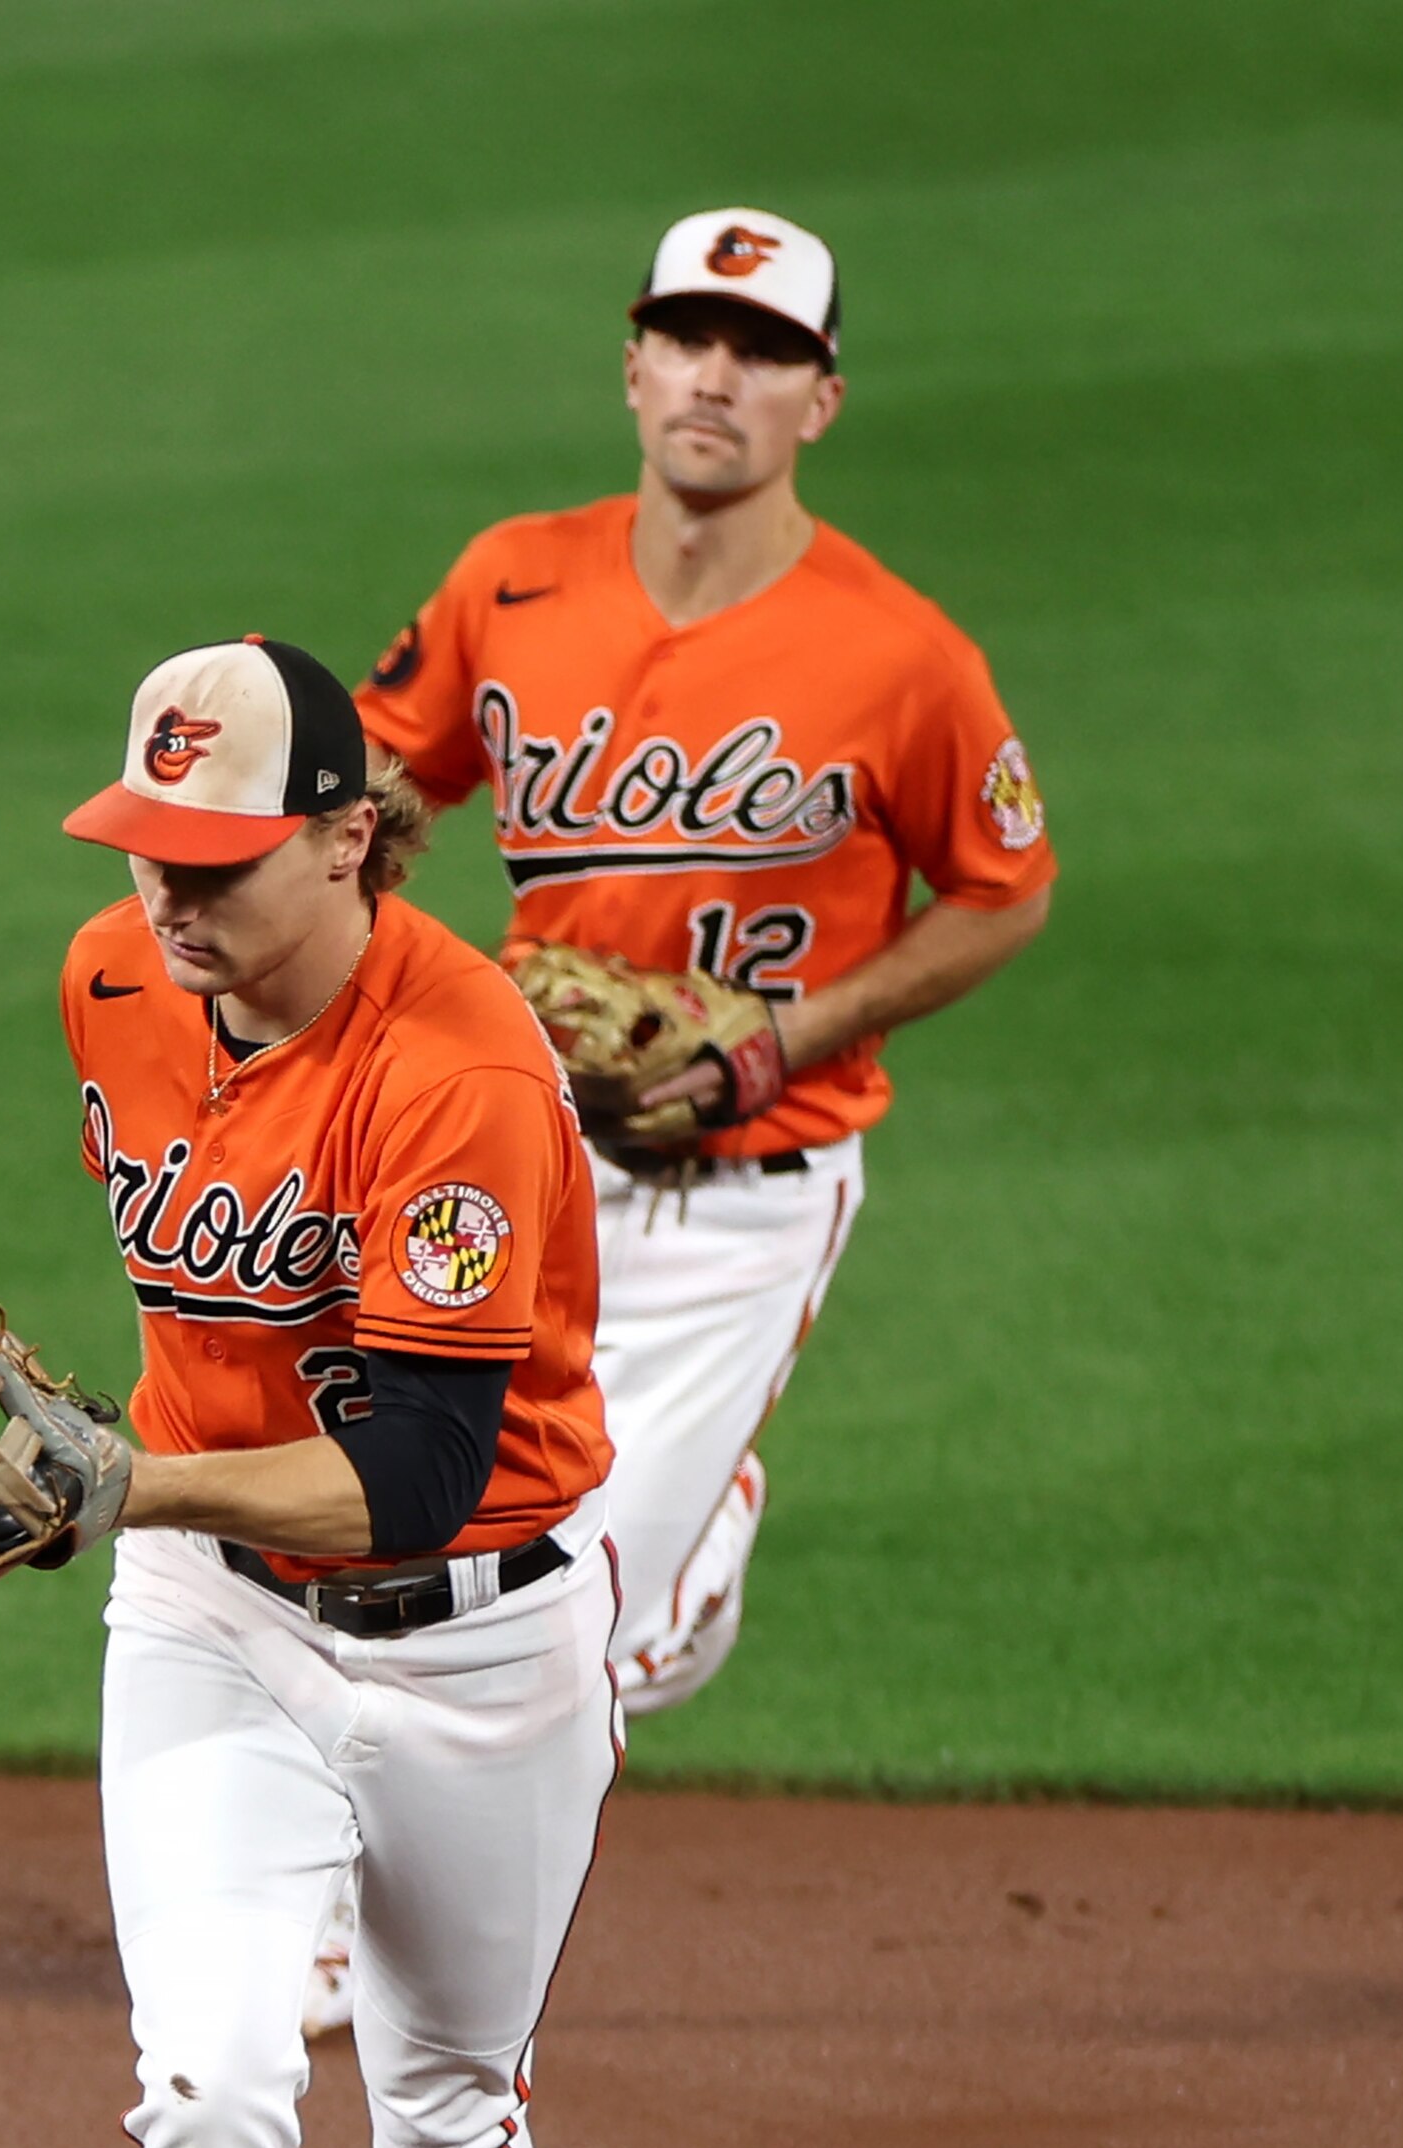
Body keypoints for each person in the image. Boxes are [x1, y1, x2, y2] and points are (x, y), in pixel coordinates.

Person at [44, 634, 623, 2148]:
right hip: (211, 1628)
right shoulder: (108, 978)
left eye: (218, 864)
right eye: (148, 855)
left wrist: (113, 1475)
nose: (172, 905)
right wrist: (128, 1494)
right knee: (204, 2082)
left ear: (348, 835)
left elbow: (404, 1472)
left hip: (477, 1651)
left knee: (445, 2112)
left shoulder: (458, 1069)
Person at [356, 205, 1052, 1743]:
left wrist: (790, 1040)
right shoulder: (513, 581)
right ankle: (333, 1945)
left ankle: (682, 1554)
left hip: (744, 1195)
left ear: (822, 400)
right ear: (633, 367)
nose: (716, 377)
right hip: (513, 1156)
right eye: (688, 338)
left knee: (572, 1636)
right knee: (401, 1547)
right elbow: (374, 787)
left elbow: (1005, 891)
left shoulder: (902, 655)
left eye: (765, 350)